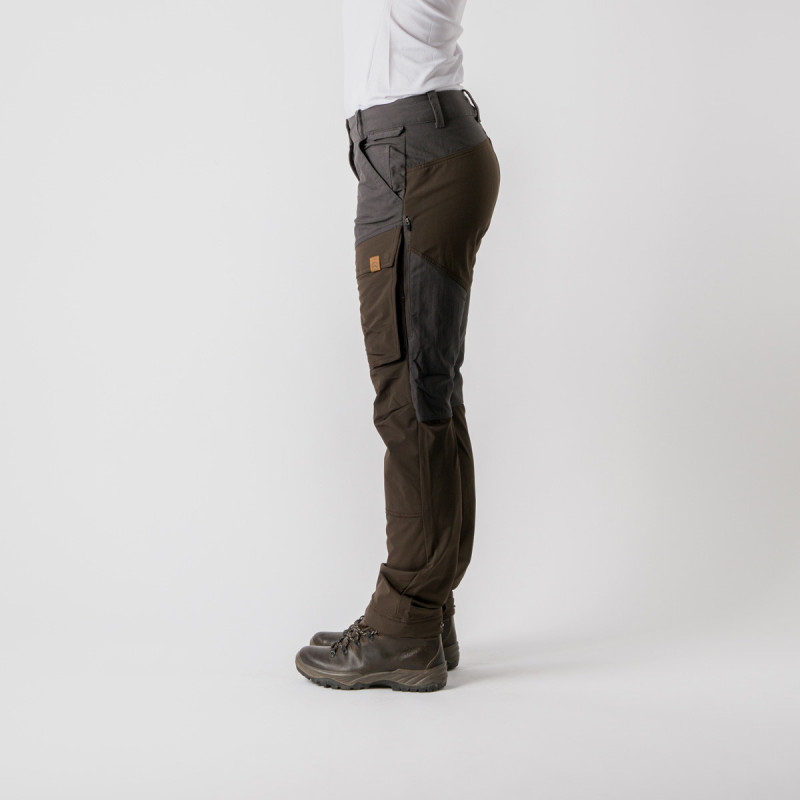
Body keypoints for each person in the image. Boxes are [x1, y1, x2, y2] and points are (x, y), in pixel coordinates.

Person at [295, 0, 500, 691]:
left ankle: (406, 619)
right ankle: (425, 610)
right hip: (416, 148)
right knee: (426, 392)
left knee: (410, 397)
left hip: (410, 154)